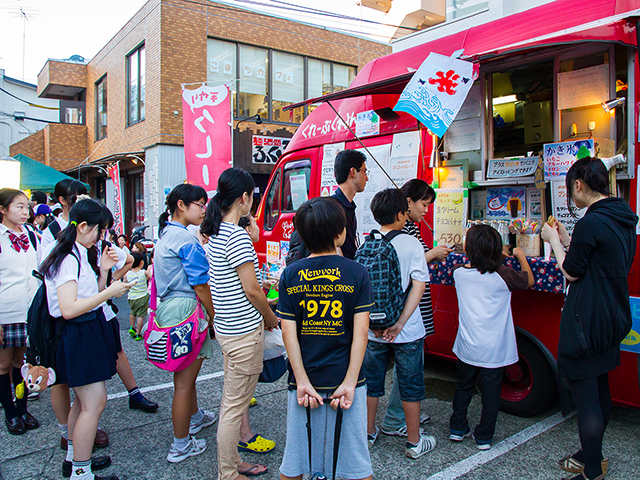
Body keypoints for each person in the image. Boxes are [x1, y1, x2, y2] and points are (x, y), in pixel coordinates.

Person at [542, 157, 637, 480]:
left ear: (579, 186)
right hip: (612, 315)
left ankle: (592, 470)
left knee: (587, 400)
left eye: (571, 190)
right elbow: (597, 258)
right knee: (600, 389)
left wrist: (553, 240)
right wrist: (569, 239)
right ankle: (590, 453)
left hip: (587, 319)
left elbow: (570, 271)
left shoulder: (592, 222)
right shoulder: (622, 217)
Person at [277, 197, 373, 480]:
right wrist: (350, 383)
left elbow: (288, 332)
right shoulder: (357, 272)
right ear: (341, 233)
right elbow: (361, 333)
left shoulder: (291, 274)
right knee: (356, 462)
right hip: (347, 381)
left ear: (302, 235)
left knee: (295, 460)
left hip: (304, 383)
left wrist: (302, 381)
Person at [40, 198, 136, 480]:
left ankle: (75, 460)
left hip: (83, 330)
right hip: (77, 332)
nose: (101, 237)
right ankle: (81, 471)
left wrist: (105, 271)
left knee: (83, 404)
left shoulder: (75, 252)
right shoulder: (69, 258)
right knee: (94, 403)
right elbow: (69, 308)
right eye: (99, 230)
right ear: (83, 226)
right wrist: (109, 291)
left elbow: (87, 296)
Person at [201, 168, 279, 480]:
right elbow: (252, 289)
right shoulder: (236, 235)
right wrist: (270, 318)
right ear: (244, 199)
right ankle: (228, 473)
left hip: (227, 329)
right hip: (243, 331)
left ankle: (232, 463)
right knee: (234, 407)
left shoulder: (217, 231)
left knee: (231, 402)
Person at [362, 188, 436, 459]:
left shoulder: (367, 243)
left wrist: (372, 326)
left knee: (371, 383)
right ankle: (414, 442)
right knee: (410, 383)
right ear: (401, 214)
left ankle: (368, 434)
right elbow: (418, 286)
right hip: (407, 331)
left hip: (373, 330)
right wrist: (400, 324)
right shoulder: (411, 243)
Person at [380, 180, 454, 438]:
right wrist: (432, 254)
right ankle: (396, 417)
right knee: (408, 367)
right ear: (407, 203)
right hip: (408, 309)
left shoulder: (411, 228)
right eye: (423, 204)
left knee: (407, 366)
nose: (426, 210)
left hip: (407, 309)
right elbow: (411, 269)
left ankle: (405, 412)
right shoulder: (406, 232)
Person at [449, 225, 533, 450]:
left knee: (463, 386)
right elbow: (528, 281)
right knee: (491, 393)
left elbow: (474, 266)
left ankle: (457, 427)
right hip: (494, 349)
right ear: (497, 249)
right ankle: (484, 436)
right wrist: (520, 256)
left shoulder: (459, 273)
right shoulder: (504, 275)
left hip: (467, 346)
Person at [154, 183, 217, 463]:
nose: (204, 210)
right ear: (181, 205)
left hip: (171, 309)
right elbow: (201, 285)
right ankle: (180, 445)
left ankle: (194, 417)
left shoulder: (167, 234)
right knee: (184, 381)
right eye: (200, 204)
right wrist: (213, 315)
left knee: (185, 378)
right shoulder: (186, 240)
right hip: (188, 310)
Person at [0, 189, 40, 435]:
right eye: (18, 207)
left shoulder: (32, 235)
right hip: (5, 311)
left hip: (29, 310)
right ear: (3, 210)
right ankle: (10, 412)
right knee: (3, 365)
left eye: (27, 207)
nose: (25, 212)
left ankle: (23, 408)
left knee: (22, 363)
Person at [331, 149, 368, 259]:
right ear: (353, 172)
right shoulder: (333, 208)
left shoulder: (349, 206)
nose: (366, 178)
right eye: (364, 172)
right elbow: (335, 248)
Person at [125, 252, 150, 341]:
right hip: (142, 296)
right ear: (142, 262)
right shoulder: (144, 272)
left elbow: (125, 283)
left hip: (132, 297)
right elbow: (149, 277)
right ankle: (138, 333)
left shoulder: (127, 274)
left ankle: (132, 327)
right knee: (140, 316)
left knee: (132, 313)